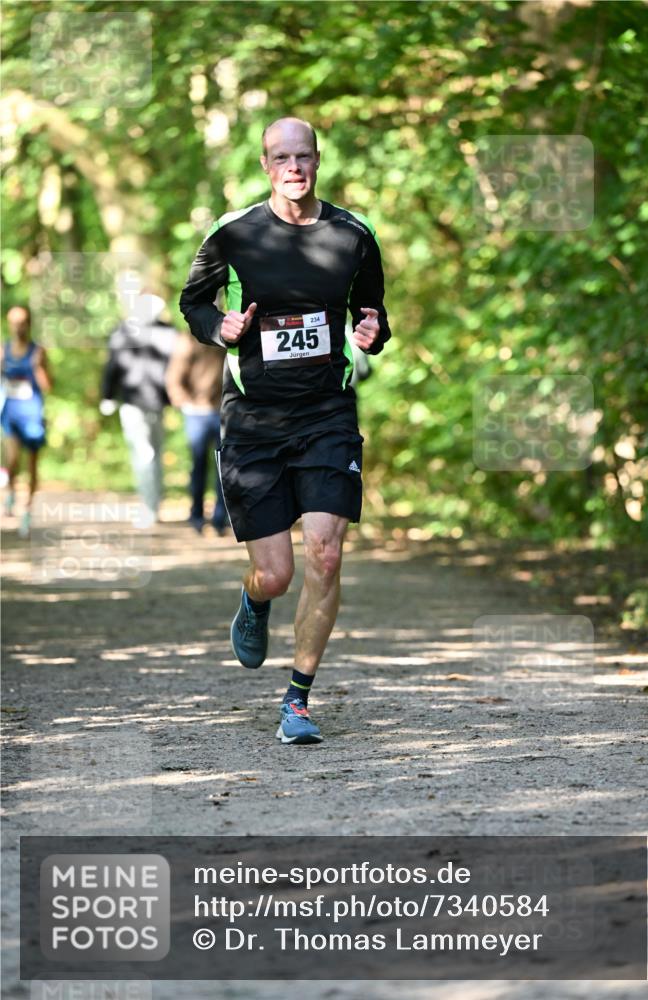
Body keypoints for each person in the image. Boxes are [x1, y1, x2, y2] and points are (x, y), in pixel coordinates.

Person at [179, 116, 391, 745]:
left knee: (325, 553)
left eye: (303, 156)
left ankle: (297, 700)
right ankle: (255, 599)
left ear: (318, 160)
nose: (293, 167)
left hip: (327, 413)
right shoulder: (233, 235)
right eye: (281, 158)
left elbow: (373, 310)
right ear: (265, 165)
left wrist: (372, 333)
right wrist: (223, 329)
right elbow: (193, 304)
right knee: (277, 574)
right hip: (254, 424)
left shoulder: (353, 235)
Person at [100, 293, 178, 527]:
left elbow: (111, 365)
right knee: (151, 452)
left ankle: (150, 506)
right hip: (147, 402)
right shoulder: (168, 332)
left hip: (139, 402)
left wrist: (107, 395)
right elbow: (113, 364)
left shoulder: (125, 330)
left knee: (145, 454)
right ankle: (152, 504)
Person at [166, 333, 229, 533]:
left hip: (223, 411)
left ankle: (221, 518)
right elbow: (174, 376)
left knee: (224, 468)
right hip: (196, 412)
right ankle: (197, 516)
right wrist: (184, 402)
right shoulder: (188, 338)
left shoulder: (228, 333)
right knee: (198, 465)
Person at [1, 305, 52, 538]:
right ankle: (10, 491)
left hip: (32, 413)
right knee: (11, 460)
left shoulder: (38, 351)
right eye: (14, 322)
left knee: (31, 465)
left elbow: (48, 386)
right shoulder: (4, 350)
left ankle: (27, 510)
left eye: (22, 322)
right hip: (11, 413)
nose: (18, 327)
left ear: (29, 324)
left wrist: (38, 369)